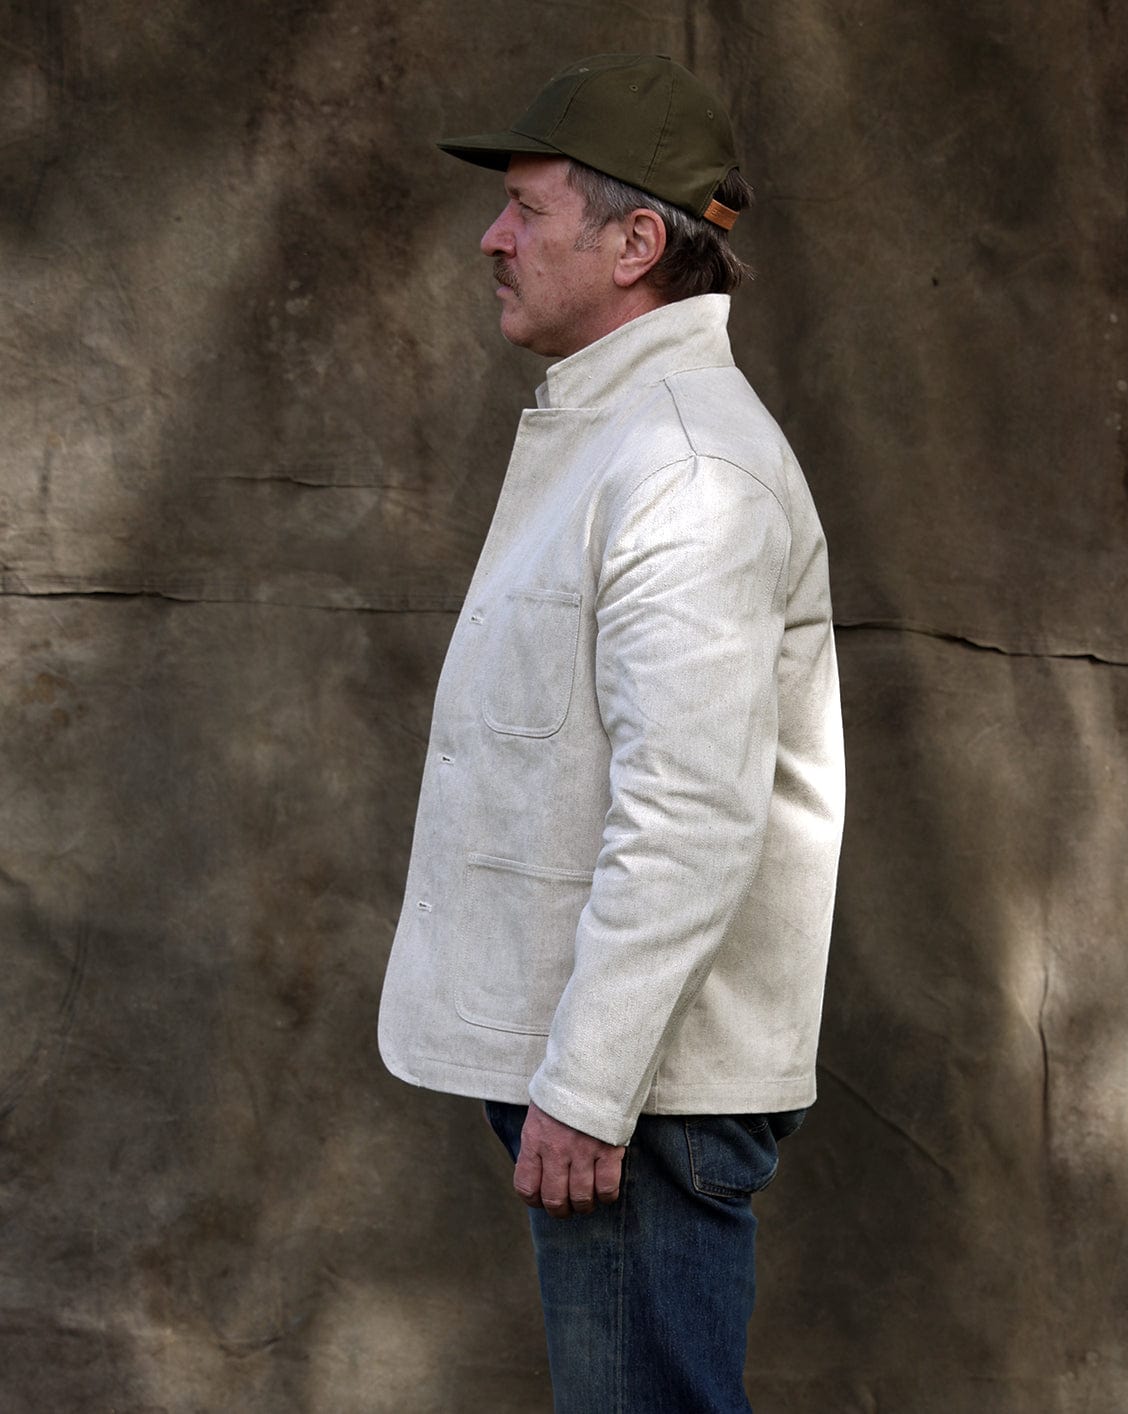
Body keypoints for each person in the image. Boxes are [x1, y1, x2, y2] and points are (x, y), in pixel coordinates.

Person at [378, 52, 844, 1412]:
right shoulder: (623, 435)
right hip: (615, 1070)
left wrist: (585, 1087)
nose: (493, 236)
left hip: (641, 1087)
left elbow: (691, 812)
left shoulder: (687, 468)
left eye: (527, 208)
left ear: (638, 242)